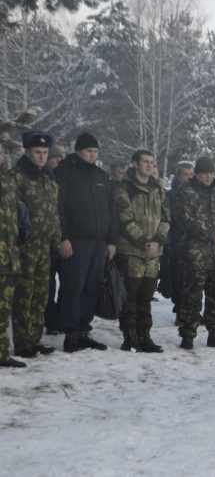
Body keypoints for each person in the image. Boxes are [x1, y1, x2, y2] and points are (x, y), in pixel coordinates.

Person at [53, 133, 118, 353]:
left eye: (96, 152)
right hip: (75, 240)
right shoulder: (65, 171)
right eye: (89, 151)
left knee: (91, 287)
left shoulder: (100, 175)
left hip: (99, 241)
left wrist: (111, 241)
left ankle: (83, 331)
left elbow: (111, 210)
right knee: (74, 286)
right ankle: (70, 334)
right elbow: (57, 206)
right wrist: (63, 237)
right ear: (78, 150)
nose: (93, 155)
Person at [174, 157, 215, 349]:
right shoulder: (185, 193)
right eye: (204, 173)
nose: (208, 176)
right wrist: (212, 234)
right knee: (192, 297)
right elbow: (184, 219)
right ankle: (187, 335)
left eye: (211, 173)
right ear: (197, 174)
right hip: (196, 256)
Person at [8, 131, 61, 359]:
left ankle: (35, 339)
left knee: (41, 295)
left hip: (45, 246)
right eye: (37, 152)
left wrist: (56, 237)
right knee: (24, 295)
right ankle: (22, 343)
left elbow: (54, 211)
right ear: (26, 151)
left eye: (45, 153)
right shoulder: (16, 177)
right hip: (25, 247)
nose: (41, 157)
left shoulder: (47, 176)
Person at [114, 149, 170, 353]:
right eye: (145, 161)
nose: (149, 165)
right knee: (130, 298)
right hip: (131, 253)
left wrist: (156, 243)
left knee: (146, 298)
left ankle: (145, 337)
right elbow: (125, 220)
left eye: (151, 162)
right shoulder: (124, 188)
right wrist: (145, 244)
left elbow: (166, 219)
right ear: (135, 164)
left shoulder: (158, 189)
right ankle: (130, 338)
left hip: (153, 254)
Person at [161, 162, 193, 325]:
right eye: (185, 174)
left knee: (193, 280)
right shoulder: (170, 195)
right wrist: (167, 243)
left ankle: (192, 311)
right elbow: (165, 219)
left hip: (194, 245)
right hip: (176, 243)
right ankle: (180, 311)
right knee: (178, 280)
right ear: (178, 176)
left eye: (191, 174)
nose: (188, 177)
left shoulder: (196, 193)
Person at [0, 166, 24, 367]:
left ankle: (2, 354)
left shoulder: (8, 181)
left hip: (8, 258)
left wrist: (24, 228)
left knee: (3, 310)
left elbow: (20, 209)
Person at [44, 143, 66, 334]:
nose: (59, 160)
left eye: (61, 157)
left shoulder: (65, 179)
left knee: (67, 283)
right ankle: (51, 322)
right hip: (48, 241)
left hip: (65, 239)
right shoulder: (44, 179)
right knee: (49, 285)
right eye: (55, 158)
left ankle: (61, 317)